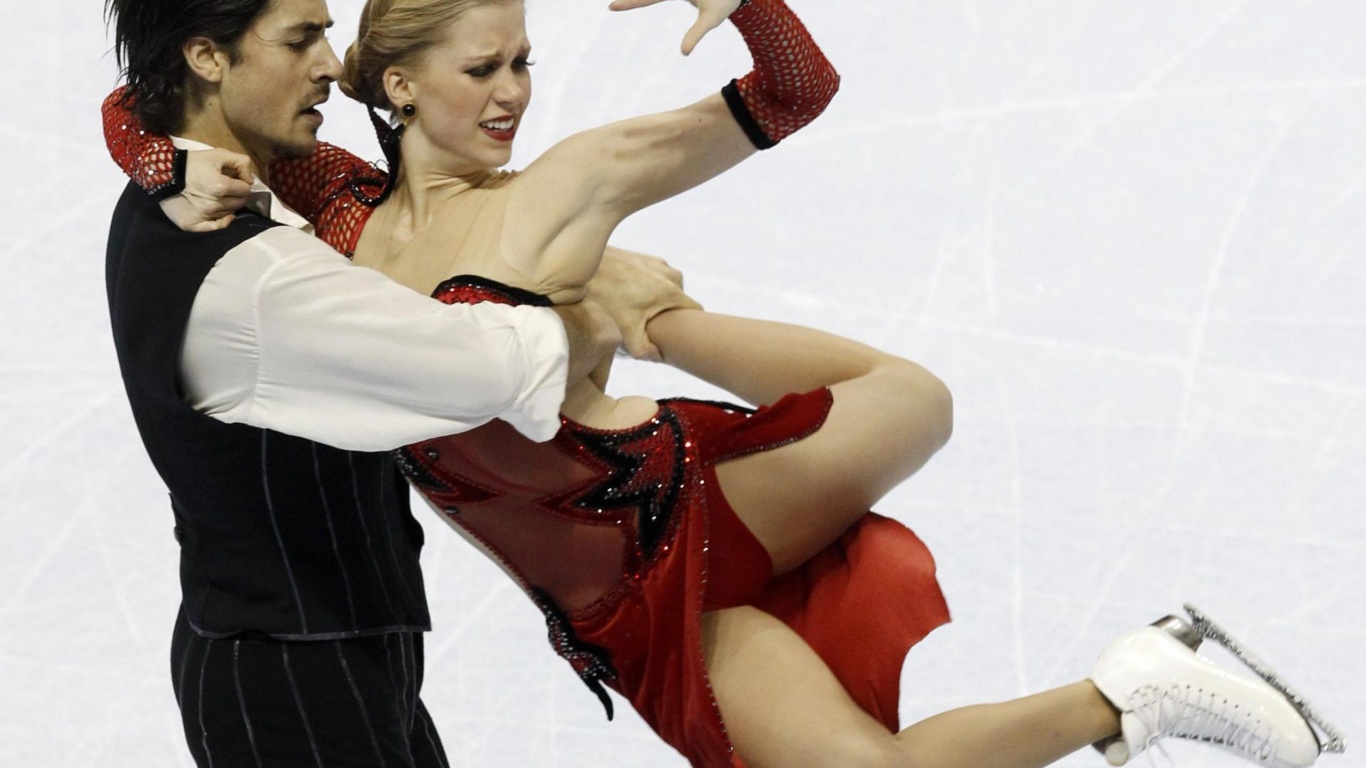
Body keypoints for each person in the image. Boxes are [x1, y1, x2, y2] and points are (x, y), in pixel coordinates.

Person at [104, 0, 1329, 766]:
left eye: (524, 61)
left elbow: (790, 92)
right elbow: (148, 93)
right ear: (398, 84)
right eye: (484, 66)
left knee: (915, 398)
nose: (514, 91)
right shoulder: (333, 201)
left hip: (667, 508)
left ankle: (670, 324)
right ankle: (1132, 692)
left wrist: (743, 5)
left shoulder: (571, 178)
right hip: (607, 605)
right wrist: (156, 156)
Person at [100, 0, 695, 765]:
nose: (329, 62)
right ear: (207, 58)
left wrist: (148, 152)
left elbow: (133, 101)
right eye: (299, 38)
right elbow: (491, 369)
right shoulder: (254, 279)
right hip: (293, 677)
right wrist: (597, 308)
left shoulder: (210, 186)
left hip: (333, 651)